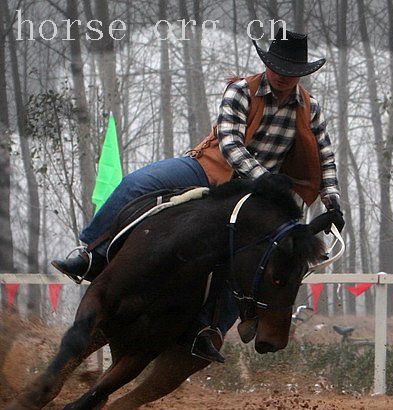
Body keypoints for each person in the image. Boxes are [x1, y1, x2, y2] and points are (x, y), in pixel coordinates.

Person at [52, 28, 344, 363]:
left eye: (290, 71)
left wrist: (332, 198)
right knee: (135, 183)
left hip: (255, 197)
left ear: (301, 74)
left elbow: (325, 156)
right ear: (267, 64)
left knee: (253, 261)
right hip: (211, 168)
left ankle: (209, 329)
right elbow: (231, 143)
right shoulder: (240, 91)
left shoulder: (310, 109)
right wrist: (266, 179)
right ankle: (91, 251)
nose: (281, 76)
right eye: (277, 67)